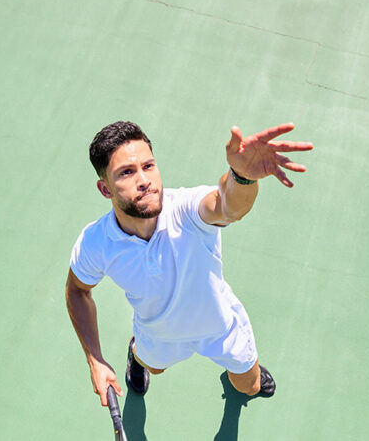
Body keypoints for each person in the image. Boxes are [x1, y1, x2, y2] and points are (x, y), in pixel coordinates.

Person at [65, 120, 313, 406]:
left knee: (249, 386)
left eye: (148, 166)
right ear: (105, 189)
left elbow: (227, 206)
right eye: (126, 173)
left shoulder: (186, 208)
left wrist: (242, 178)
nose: (144, 180)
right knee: (154, 368)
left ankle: (243, 374)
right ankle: (136, 351)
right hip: (159, 335)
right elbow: (77, 291)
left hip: (220, 328)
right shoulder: (95, 243)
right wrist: (95, 360)